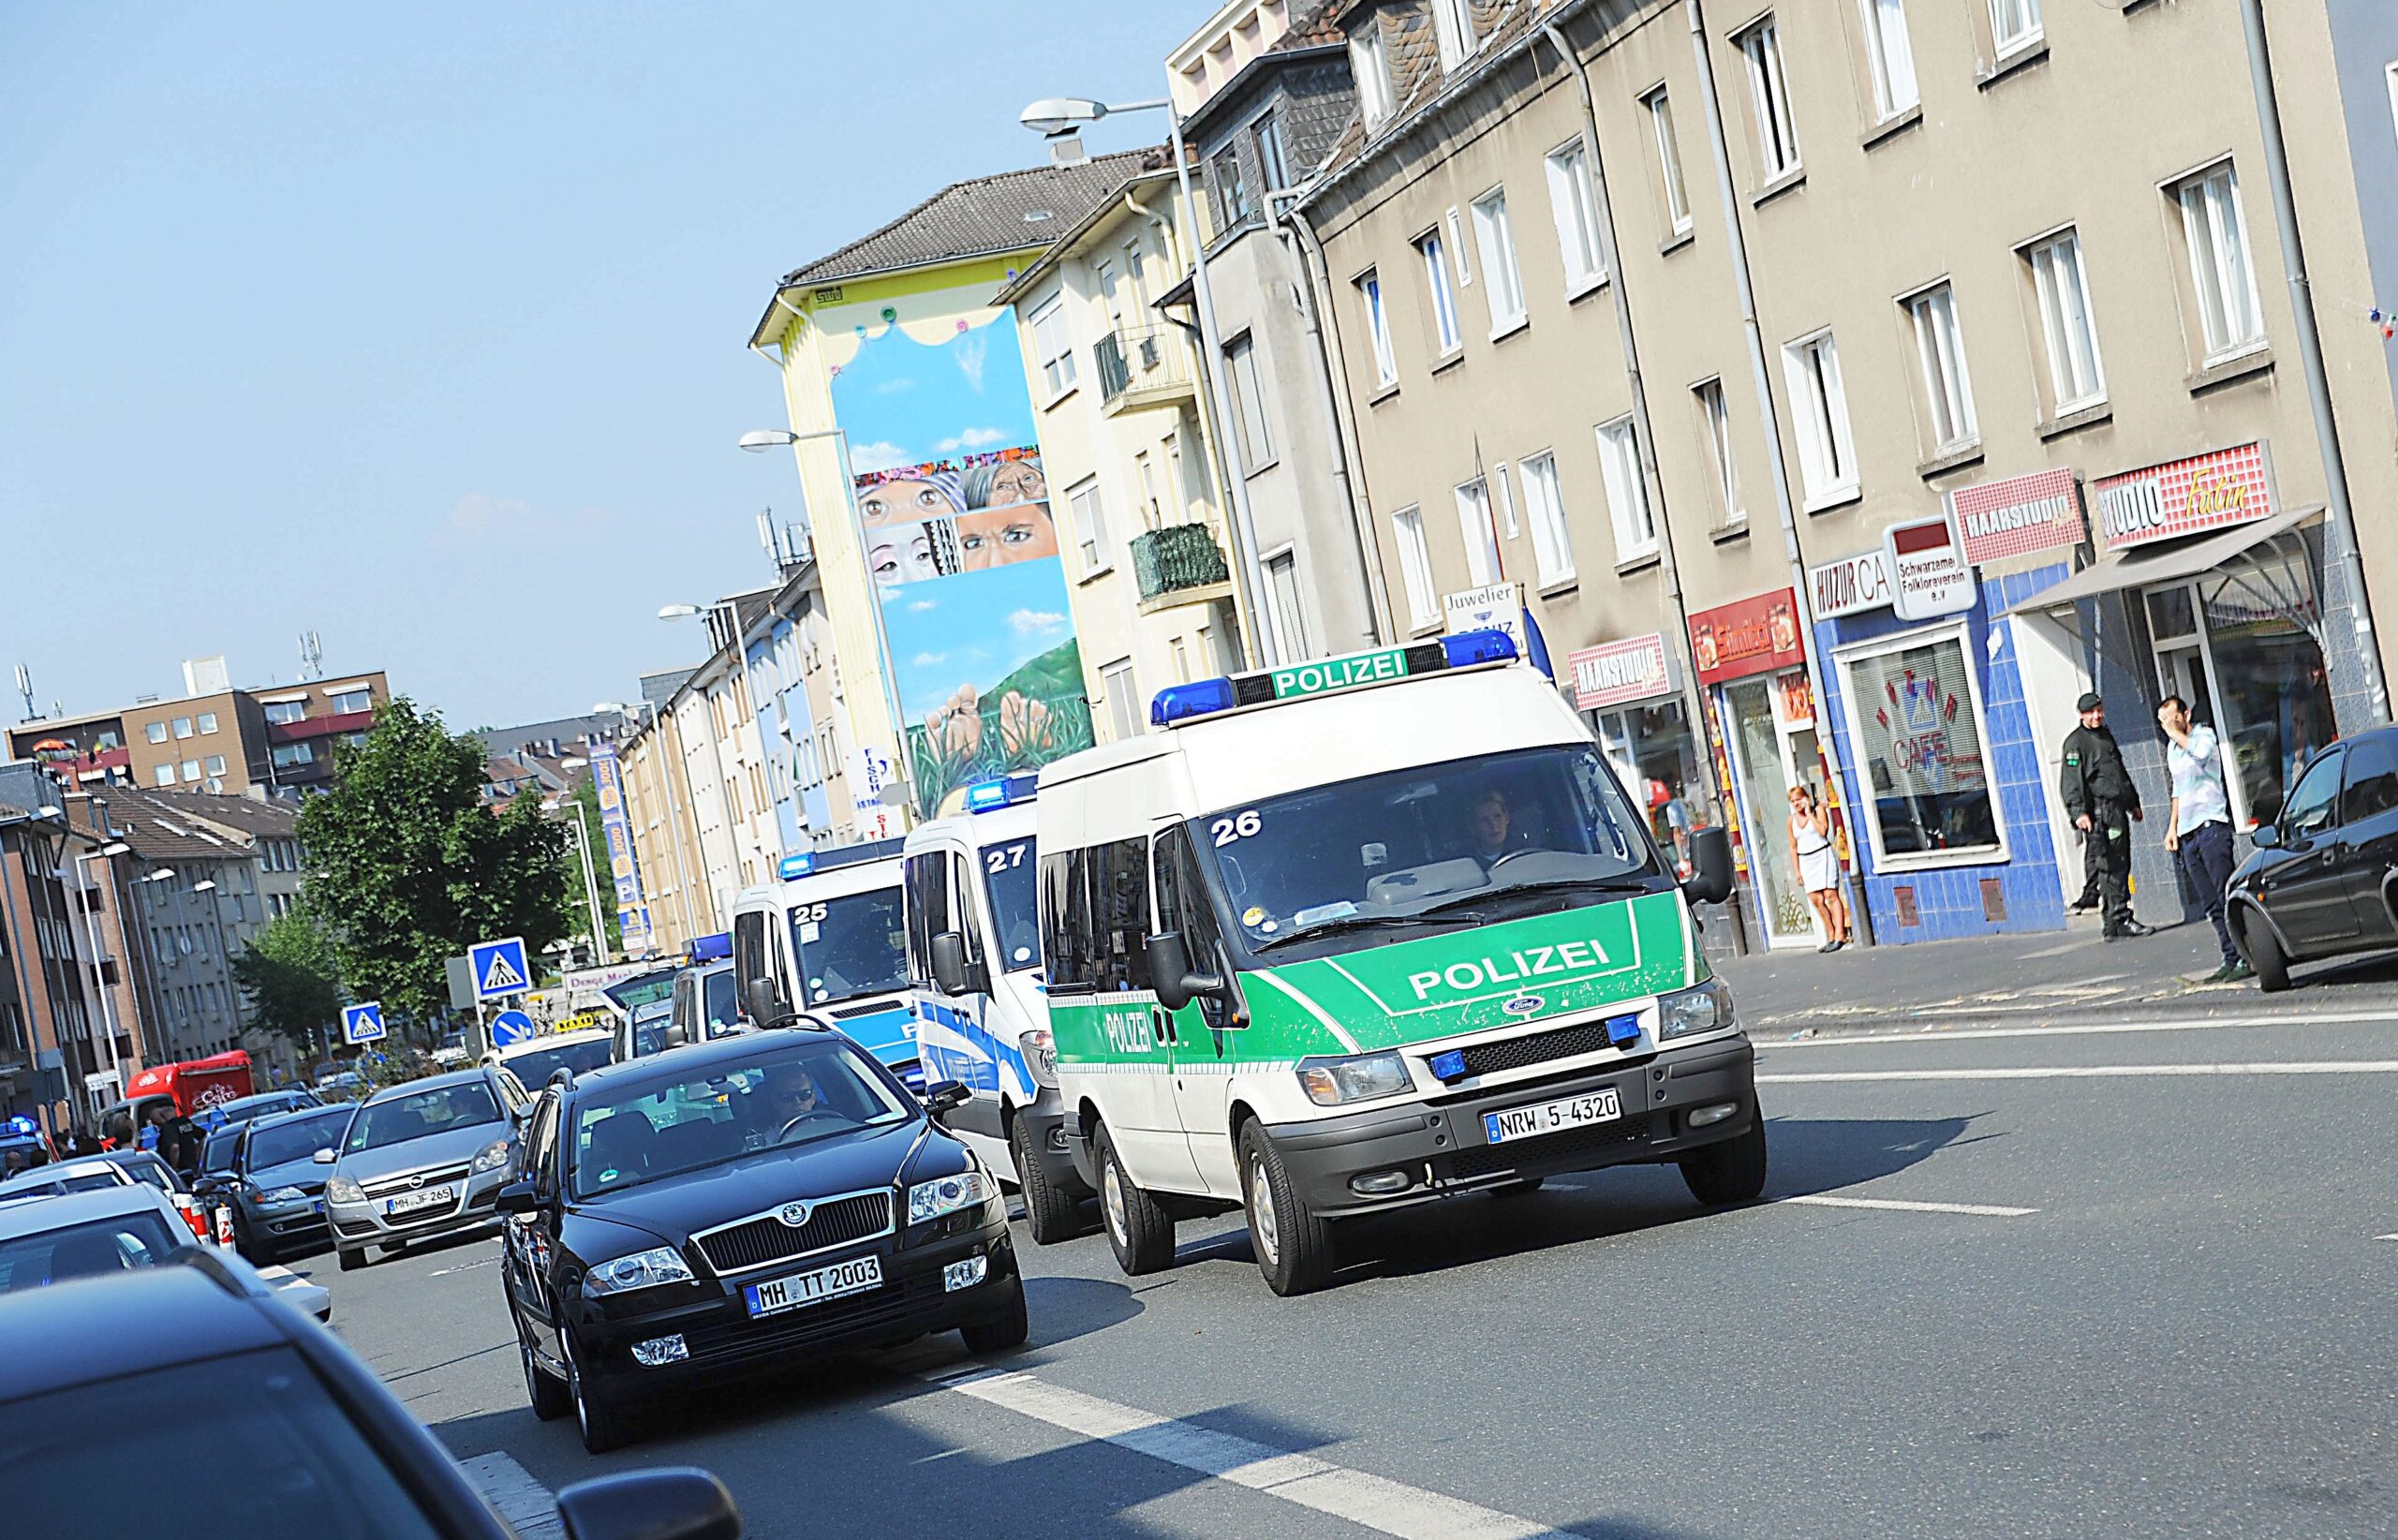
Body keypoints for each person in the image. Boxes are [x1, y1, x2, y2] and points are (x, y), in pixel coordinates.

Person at [2160, 695, 2251, 983]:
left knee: (2225, 893)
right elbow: (2178, 788)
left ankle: (2247, 954)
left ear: (2185, 714)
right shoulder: (2173, 749)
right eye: (2163, 720)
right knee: (2210, 902)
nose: (2168, 725)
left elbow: (2200, 755)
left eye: (2172, 717)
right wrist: (2172, 828)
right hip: (2188, 833)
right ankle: (2230, 957)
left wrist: (2176, 732)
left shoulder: (2204, 736)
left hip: (2212, 825)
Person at [2059, 692, 2152, 940]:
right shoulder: (2076, 743)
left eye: (2099, 710)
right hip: (2100, 814)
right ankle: (2119, 918)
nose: (2096, 715)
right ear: (2082, 714)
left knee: (2119, 862)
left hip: (2116, 809)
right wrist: (2078, 813)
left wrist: (2133, 803)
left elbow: (2118, 773)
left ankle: (2113, 922)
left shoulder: (2105, 736)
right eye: (2091, 712)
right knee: (2109, 865)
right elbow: (2071, 782)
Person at [1788, 784, 1850, 953]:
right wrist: (1797, 871)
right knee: (1816, 899)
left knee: (1830, 895)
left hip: (1822, 855)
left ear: (1805, 798)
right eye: (1793, 801)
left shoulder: (1818, 811)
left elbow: (1823, 831)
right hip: (1806, 860)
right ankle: (1830, 933)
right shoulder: (1791, 821)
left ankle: (1840, 934)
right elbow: (1793, 847)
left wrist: (1809, 813)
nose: (1796, 804)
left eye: (1799, 799)